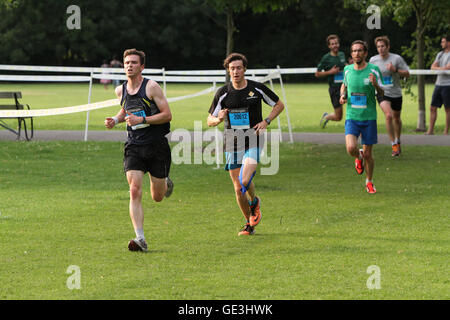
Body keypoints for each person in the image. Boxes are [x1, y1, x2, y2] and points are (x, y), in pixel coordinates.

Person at [207, 53, 284, 236]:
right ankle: (249, 222)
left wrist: (266, 121)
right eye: (232, 68)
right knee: (237, 189)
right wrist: (218, 119)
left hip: (253, 138)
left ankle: (254, 201)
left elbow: (279, 105)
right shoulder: (223, 93)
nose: (235, 71)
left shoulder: (257, 89)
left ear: (244, 69)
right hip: (232, 142)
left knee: (244, 180)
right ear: (228, 70)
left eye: (239, 68)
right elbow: (209, 119)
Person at [104, 48, 174, 252]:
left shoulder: (151, 87)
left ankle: (165, 182)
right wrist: (116, 119)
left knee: (157, 196)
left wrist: (142, 119)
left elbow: (167, 115)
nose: (129, 65)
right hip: (134, 144)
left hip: (156, 145)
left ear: (142, 66)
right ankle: (140, 238)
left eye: (134, 62)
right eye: (127, 62)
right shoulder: (121, 90)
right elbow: (127, 108)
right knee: (134, 190)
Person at [340, 40, 384, 194]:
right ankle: (358, 156)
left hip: (369, 117)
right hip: (352, 116)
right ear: (351, 54)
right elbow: (344, 85)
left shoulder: (374, 70)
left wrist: (376, 85)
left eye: (359, 51)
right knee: (351, 148)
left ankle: (369, 182)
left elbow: (383, 93)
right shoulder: (347, 70)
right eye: (354, 51)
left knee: (369, 154)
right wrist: (342, 96)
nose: (356, 53)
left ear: (365, 53)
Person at [369, 36, 410, 156]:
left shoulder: (396, 58)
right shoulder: (373, 60)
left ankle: (398, 140)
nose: (380, 49)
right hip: (382, 92)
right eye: (378, 47)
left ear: (388, 47)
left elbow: (407, 74)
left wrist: (395, 70)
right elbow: (369, 73)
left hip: (396, 92)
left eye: (382, 46)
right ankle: (393, 144)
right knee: (388, 115)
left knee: (396, 118)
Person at [316, 34, 347, 128]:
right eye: (332, 44)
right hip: (334, 89)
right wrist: (331, 72)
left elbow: (344, 65)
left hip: (345, 87)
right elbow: (317, 74)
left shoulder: (342, 55)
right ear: (329, 46)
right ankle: (327, 117)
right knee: (338, 117)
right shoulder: (326, 58)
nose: (335, 45)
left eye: (336, 43)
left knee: (354, 107)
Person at [426, 35, 450, 135]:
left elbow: (447, 68)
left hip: (448, 85)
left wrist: (439, 68)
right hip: (438, 84)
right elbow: (432, 66)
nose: (441, 44)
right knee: (432, 107)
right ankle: (430, 130)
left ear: (449, 43)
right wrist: (441, 68)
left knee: (447, 109)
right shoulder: (440, 54)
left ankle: (446, 131)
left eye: (443, 42)